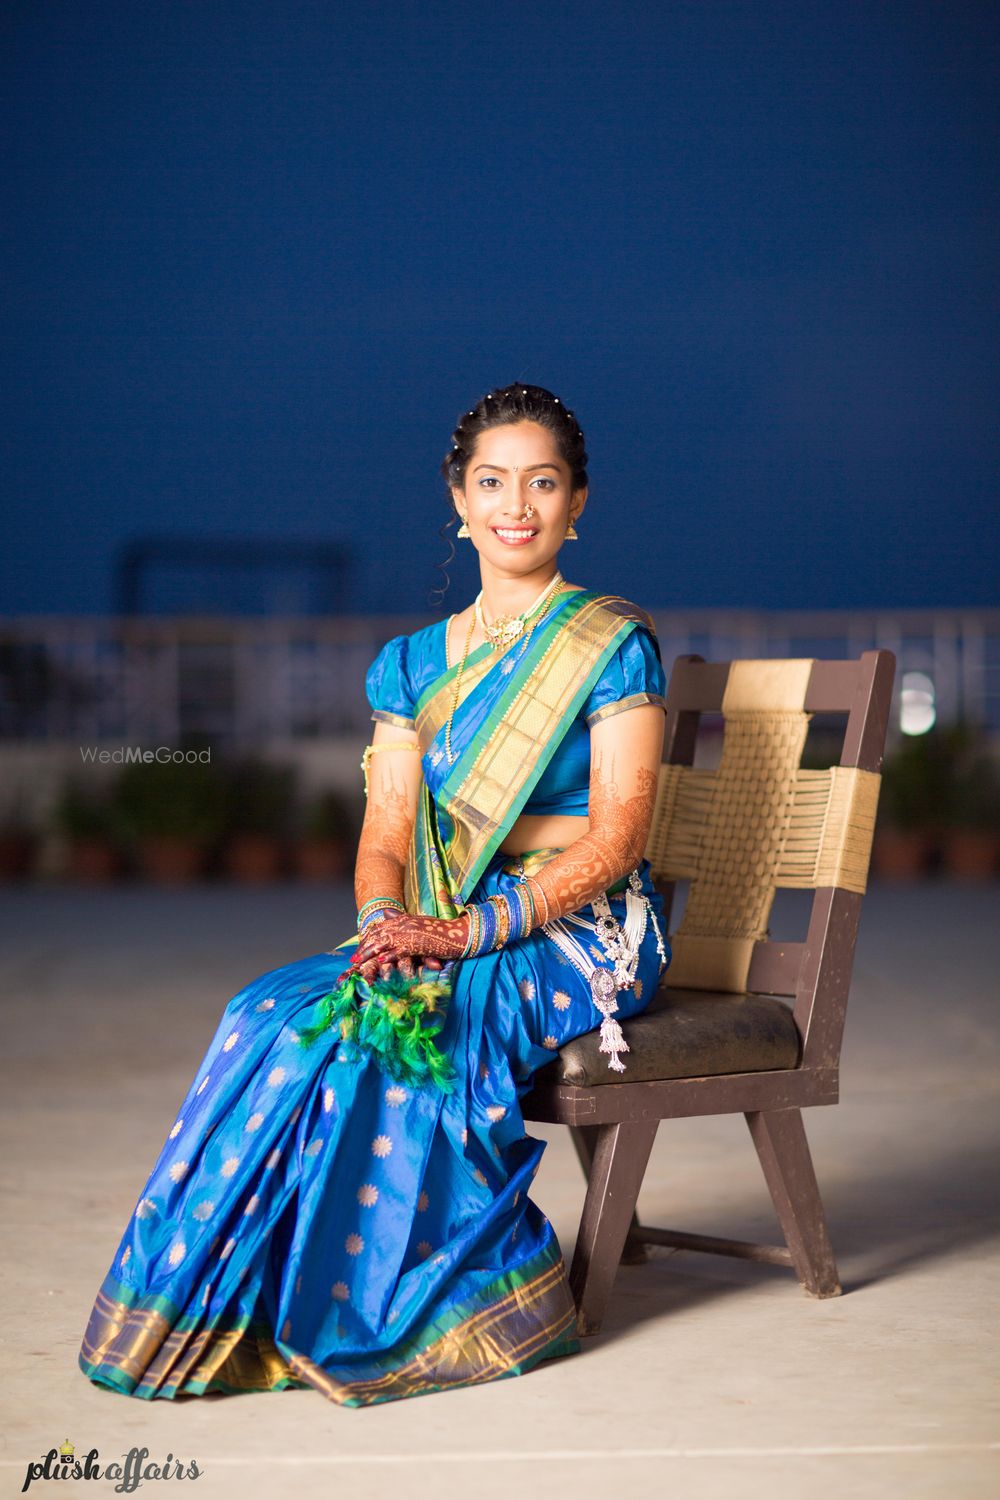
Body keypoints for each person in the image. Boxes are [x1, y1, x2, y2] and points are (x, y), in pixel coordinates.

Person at [78, 382, 671, 1407]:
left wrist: (461, 930)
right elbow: (386, 834)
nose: (515, 504)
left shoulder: (608, 644)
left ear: (579, 502)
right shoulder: (407, 667)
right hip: (440, 919)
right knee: (275, 1014)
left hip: (580, 930)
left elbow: (618, 839)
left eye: (541, 482)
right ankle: (235, 1312)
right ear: (458, 499)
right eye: (492, 481)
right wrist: (382, 928)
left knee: (415, 1024)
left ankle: (430, 1314)